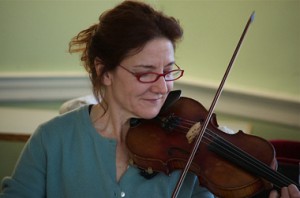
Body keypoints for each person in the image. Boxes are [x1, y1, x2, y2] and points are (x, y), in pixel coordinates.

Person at [0, 1, 299, 198]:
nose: (162, 87)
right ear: (104, 71)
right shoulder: (52, 140)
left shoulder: (193, 156)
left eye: (169, 71)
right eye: (146, 73)